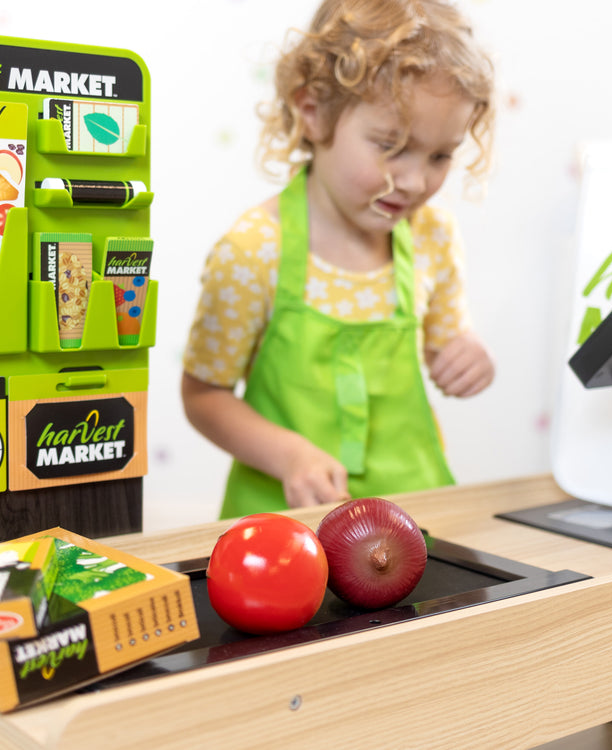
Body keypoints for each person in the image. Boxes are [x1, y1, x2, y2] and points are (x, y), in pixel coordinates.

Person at [182, 0, 496, 518]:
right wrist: (290, 456)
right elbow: (203, 396)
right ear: (313, 111)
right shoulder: (253, 251)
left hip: (414, 521)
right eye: (391, 144)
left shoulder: (433, 235)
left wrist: (466, 355)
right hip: (283, 530)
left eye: (440, 156)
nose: (417, 181)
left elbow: (446, 346)